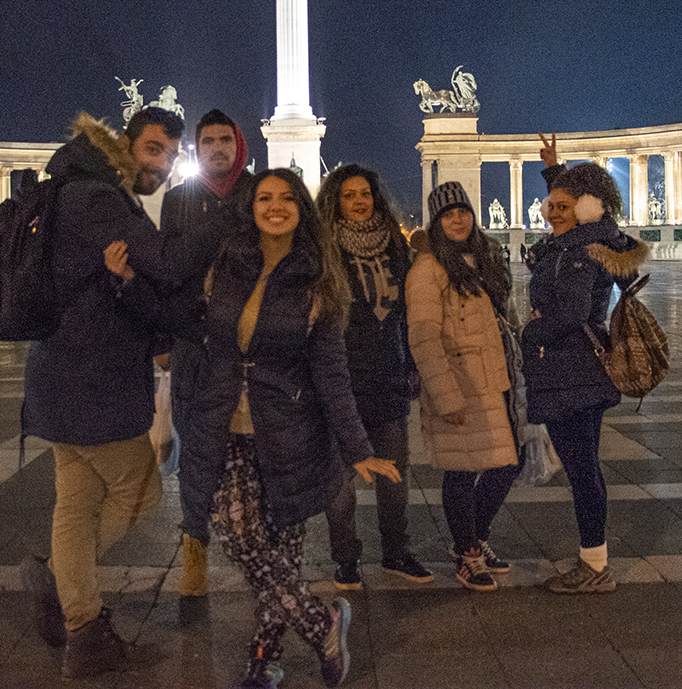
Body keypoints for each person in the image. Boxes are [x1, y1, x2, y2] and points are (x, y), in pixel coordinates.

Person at [17, 107, 229, 680]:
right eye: (154, 150)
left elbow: (141, 274)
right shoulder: (98, 199)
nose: (161, 166)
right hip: (92, 380)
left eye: (167, 154)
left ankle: (83, 631)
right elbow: (164, 261)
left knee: (77, 502)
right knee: (142, 490)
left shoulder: (80, 188)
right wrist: (226, 217)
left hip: (61, 374)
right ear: (126, 144)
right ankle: (64, 589)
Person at [174, 169, 397, 689]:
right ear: (250, 206)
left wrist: (357, 447)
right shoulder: (225, 265)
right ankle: (323, 621)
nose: (275, 206)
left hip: (291, 429)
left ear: (303, 208)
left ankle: (264, 659)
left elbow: (331, 371)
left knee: (282, 552)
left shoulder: (319, 279)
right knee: (237, 529)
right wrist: (130, 286)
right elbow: (186, 323)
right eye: (264, 198)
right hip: (225, 423)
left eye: (287, 199)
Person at [524, 162, 646, 594]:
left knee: (581, 470)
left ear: (587, 208)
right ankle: (594, 559)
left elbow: (572, 313)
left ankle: (595, 565)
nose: (553, 213)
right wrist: (557, 175)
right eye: (550, 205)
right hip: (575, 372)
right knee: (583, 468)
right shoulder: (580, 242)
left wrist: (530, 329)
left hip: (571, 371)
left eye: (563, 205)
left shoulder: (577, 252)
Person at [316, 165, 431, 592]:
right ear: (336, 201)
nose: (360, 201)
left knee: (394, 473)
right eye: (349, 195)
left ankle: (396, 551)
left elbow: (410, 310)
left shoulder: (397, 249)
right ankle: (345, 557)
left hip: (388, 374)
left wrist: (413, 363)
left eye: (365, 193)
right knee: (341, 483)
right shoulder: (323, 250)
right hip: (341, 380)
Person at [408, 181, 520, 592]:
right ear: (436, 222)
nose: (458, 219)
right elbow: (422, 337)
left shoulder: (486, 261)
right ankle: (467, 552)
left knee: (510, 462)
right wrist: (445, 395)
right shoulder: (427, 269)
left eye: (463, 211)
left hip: (496, 379)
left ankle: (476, 535)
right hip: (459, 383)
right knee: (459, 470)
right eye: (447, 214)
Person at [158, 108, 251, 601]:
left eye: (225, 140)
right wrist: (163, 341)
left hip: (248, 345)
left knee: (253, 447)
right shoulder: (178, 200)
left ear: (239, 145)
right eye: (208, 141)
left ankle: (263, 547)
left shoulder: (262, 192)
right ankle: (194, 546)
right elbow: (166, 270)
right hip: (195, 345)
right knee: (197, 451)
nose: (217, 148)